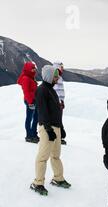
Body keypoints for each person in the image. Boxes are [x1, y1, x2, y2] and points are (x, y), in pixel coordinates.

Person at [30, 65, 71, 196]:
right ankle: (38, 183)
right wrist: (48, 129)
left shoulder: (51, 90)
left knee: (56, 156)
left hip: (56, 127)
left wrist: (61, 128)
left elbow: (56, 111)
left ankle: (58, 179)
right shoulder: (41, 90)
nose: (57, 78)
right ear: (48, 76)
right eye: (55, 76)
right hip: (47, 127)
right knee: (43, 157)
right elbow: (42, 112)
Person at [17, 61, 39, 143]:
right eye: (32, 68)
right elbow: (26, 91)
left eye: (34, 68)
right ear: (28, 69)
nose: (34, 70)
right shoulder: (26, 78)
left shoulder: (31, 77)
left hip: (34, 100)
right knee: (29, 118)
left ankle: (33, 134)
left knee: (36, 118)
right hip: (30, 101)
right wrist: (30, 102)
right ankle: (29, 136)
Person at [53, 61, 67, 145]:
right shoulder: (56, 76)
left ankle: (60, 136)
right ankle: (59, 136)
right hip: (57, 103)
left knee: (58, 119)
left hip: (59, 102)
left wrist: (62, 101)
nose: (63, 68)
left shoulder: (58, 76)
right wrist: (59, 101)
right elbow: (56, 91)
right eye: (61, 66)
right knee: (58, 119)